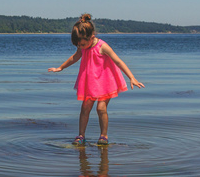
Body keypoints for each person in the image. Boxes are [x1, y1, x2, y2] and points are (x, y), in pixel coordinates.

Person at [48, 14, 144, 145]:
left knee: (101, 108)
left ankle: (103, 136)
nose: (80, 47)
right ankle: (81, 136)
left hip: (105, 82)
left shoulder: (102, 46)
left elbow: (118, 61)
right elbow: (75, 57)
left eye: (82, 44)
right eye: (78, 45)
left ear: (91, 37)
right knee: (85, 108)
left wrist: (132, 78)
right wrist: (61, 68)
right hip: (90, 82)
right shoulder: (82, 46)